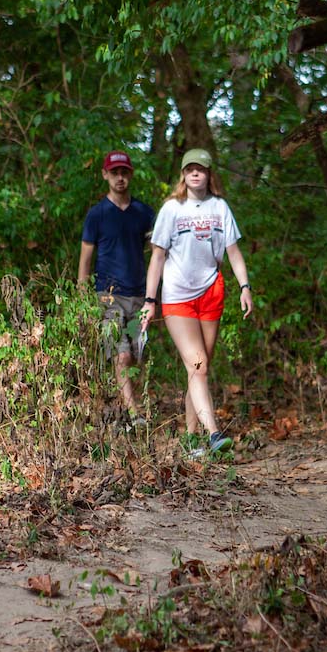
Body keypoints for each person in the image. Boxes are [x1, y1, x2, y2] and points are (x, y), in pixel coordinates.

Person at [140, 148, 253, 457]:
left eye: (200, 169)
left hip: (211, 292)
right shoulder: (172, 209)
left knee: (199, 369)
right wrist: (150, 300)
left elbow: (234, 253)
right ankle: (215, 434)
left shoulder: (220, 207)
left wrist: (245, 286)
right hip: (177, 296)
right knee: (197, 365)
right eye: (189, 168)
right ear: (183, 174)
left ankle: (191, 440)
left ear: (208, 174)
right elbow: (158, 257)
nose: (195, 173)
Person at [78, 150, 156, 417]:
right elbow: (86, 257)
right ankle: (134, 413)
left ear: (130, 174)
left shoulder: (143, 212)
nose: (120, 178)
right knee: (120, 355)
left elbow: (158, 254)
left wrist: (156, 294)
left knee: (136, 355)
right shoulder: (97, 214)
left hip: (140, 294)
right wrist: (82, 294)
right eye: (114, 173)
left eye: (124, 172)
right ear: (105, 175)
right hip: (108, 296)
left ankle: (131, 403)